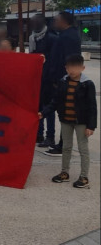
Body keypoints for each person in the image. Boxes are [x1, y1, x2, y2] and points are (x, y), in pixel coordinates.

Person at [41, 54, 97, 188]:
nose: (72, 70)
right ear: (66, 68)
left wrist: (91, 126)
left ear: (82, 68)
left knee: (83, 149)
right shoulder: (63, 82)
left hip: (81, 122)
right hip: (66, 120)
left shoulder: (87, 84)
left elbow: (92, 106)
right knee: (66, 147)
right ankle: (64, 172)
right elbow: (55, 101)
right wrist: (43, 113)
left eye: (75, 67)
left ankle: (84, 177)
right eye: (69, 67)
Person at [44, 11, 82, 156]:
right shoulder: (67, 35)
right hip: (61, 79)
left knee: (64, 113)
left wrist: (62, 80)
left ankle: (63, 145)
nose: (54, 22)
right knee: (62, 112)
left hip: (63, 80)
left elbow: (69, 60)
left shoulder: (68, 37)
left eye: (56, 20)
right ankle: (62, 144)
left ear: (64, 21)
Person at [29, 14, 58, 145]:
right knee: (37, 107)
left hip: (48, 79)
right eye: (32, 23)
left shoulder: (52, 38)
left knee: (48, 108)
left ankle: (50, 136)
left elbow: (54, 60)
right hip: (36, 78)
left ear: (42, 22)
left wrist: (53, 79)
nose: (33, 25)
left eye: (36, 22)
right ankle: (38, 133)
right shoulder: (32, 38)